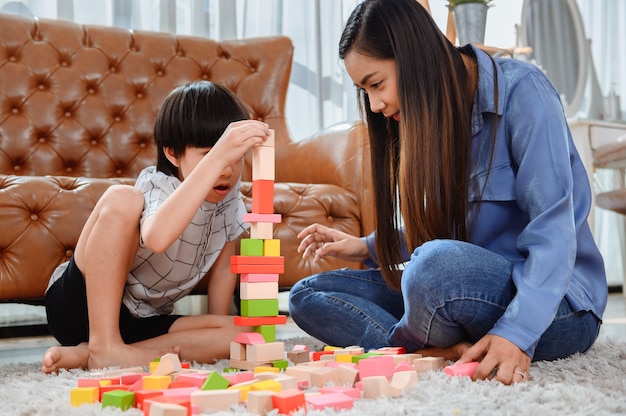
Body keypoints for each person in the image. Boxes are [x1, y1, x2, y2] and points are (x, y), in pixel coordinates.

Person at [289, 0, 608, 385]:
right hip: (460, 290)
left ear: (414, 54)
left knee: (432, 271)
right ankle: (430, 350)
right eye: (365, 91)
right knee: (309, 293)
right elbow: (450, 234)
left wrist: (516, 333)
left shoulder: (523, 92)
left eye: (376, 84)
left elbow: (553, 231)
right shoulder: (426, 119)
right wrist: (367, 247)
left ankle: (415, 342)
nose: (374, 106)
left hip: (557, 305)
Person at [42, 81, 270, 374]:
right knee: (122, 198)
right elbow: (156, 237)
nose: (226, 169)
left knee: (246, 333)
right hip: (79, 305)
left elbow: (224, 267)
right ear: (173, 154)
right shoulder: (159, 185)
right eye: (209, 156)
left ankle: (92, 354)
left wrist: (216, 328)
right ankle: (104, 343)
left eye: (235, 157)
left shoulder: (229, 199)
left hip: (143, 322)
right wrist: (219, 155)